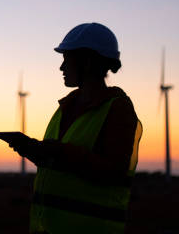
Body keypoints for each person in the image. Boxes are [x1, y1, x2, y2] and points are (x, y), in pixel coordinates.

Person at [7, 23, 142, 234]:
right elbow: (61, 164)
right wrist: (33, 150)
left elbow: (114, 173)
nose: (61, 68)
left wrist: (55, 151)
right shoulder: (64, 108)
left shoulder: (117, 109)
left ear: (87, 61)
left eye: (66, 59)